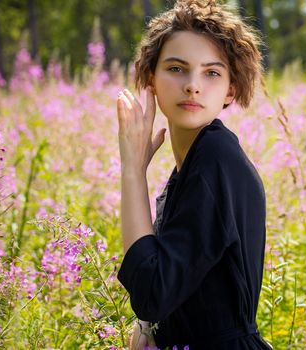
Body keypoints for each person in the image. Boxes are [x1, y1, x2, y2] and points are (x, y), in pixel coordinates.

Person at [116, 0, 271, 349]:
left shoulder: (216, 159)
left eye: (212, 73)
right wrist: (148, 328)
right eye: (176, 68)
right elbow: (169, 285)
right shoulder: (193, 164)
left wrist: (132, 171)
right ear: (150, 79)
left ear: (231, 89)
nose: (192, 86)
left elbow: (151, 292)